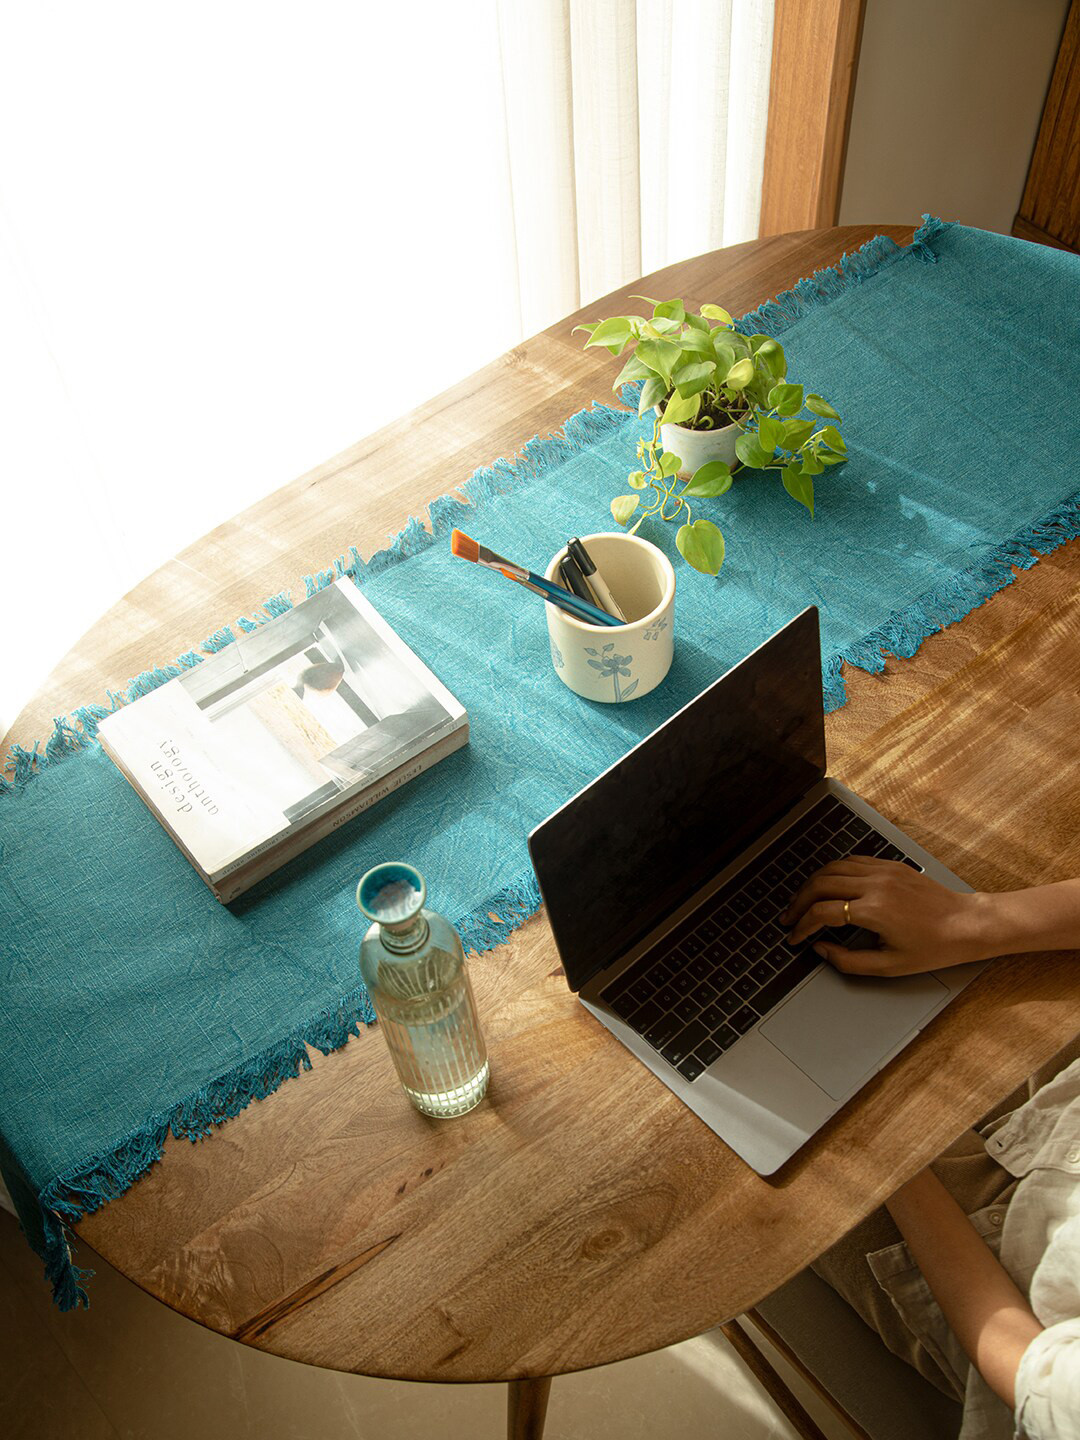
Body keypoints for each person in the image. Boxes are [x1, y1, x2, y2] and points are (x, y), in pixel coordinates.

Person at [781, 855, 1080, 1440]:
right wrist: (975, 919)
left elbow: (1024, 1363)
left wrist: (882, 1150)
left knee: (737, 1127)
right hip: (1065, 1117)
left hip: (995, 1270)